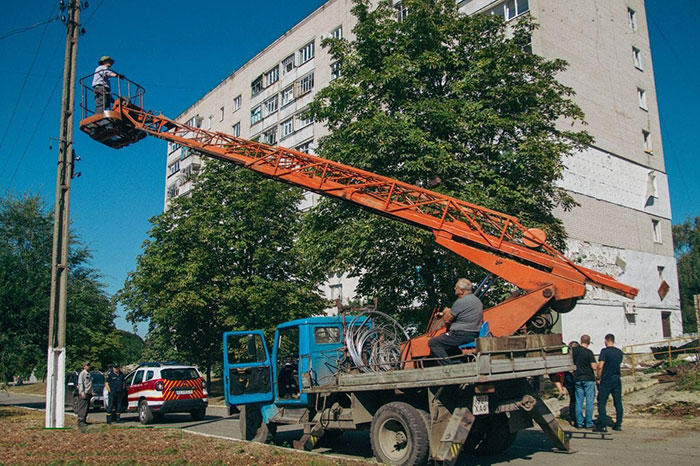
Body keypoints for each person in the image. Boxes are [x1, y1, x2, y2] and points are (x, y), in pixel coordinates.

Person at [428, 278, 483, 365]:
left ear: (461, 291)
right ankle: (459, 362)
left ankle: (449, 367)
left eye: (456, 287)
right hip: (472, 333)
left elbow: (447, 320)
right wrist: (445, 313)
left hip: (460, 333)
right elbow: (461, 314)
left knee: (434, 343)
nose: (454, 288)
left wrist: (446, 311)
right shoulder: (476, 301)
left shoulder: (461, 302)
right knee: (446, 341)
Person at [595, 333, 624, 432]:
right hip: (616, 378)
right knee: (618, 401)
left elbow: (600, 365)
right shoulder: (619, 352)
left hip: (606, 378)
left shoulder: (604, 351)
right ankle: (618, 424)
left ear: (606, 340)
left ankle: (602, 425)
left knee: (602, 401)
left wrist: (598, 377)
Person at [572, 334, 597, 429]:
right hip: (588, 378)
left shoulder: (574, 351)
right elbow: (594, 366)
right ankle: (589, 423)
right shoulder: (589, 352)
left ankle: (579, 423)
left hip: (578, 378)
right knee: (589, 401)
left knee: (579, 401)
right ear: (589, 342)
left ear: (580, 340)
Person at [564, 341, 579, 425]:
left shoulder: (567, 356)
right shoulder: (579, 355)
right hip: (576, 379)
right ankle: (577, 418)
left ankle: (573, 418)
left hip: (568, 380)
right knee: (577, 400)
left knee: (572, 400)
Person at [76, 362, 93, 430]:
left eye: (89, 365)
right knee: (82, 407)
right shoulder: (82, 374)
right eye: (87, 365)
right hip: (84, 393)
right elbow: (80, 384)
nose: (89, 366)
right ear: (84, 366)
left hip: (88, 393)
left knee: (86, 407)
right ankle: (80, 421)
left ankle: (84, 420)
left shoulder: (89, 374)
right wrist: (82, 393)